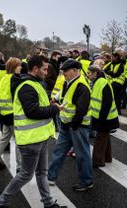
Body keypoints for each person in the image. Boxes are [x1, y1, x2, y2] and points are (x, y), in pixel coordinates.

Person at [0, 55, 66, 208]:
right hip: (31, 139)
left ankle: (49, 203)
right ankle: (0, 203)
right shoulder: (27, 86)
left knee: (41, 172)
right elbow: (32, 111)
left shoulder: (35, 83)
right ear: (35, 68)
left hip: (40, 136)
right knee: (26, 174)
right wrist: (53, 109)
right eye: (44, 69)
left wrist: (48, 104)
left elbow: (36, 105)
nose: (46, 72)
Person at [47, 60, 93, 192]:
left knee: (82, 155)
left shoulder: (82, 86)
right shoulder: (69, 82)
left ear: (75, 70)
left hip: (77, 126)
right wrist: (55, 99)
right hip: (67, 124)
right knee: (58, 151)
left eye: (65, 71)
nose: (63, 74)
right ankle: (50, 177)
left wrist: (74, 125)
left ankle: (86, 181)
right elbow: (64, 94)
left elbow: (82, 110)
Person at [0, 57, 22, 171]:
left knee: (4, 139)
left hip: (4, 113)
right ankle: (20, 167)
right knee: (19, 141)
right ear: (15, 67)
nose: (21, 67)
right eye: (19, 65)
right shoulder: (14, 79)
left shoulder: (4, 78)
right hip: (13, 114)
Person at [87, 65, 119, 167]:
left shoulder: (102, 82)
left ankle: (97, 161)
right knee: (105, 136)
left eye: (90, 73)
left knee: (100, 139)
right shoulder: (96, 82)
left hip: (105, 117)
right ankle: (107, 158)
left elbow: (107, 103)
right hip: (103, 116)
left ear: (96, 73)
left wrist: (101, 119)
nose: (88, 75)